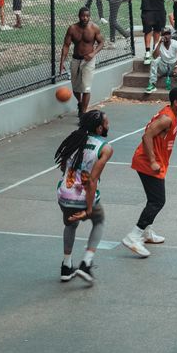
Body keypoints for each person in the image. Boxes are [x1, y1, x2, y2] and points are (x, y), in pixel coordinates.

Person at [122, 86, 177, 257]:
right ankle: (134, 235)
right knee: (157, 201)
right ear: (176, 102)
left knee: (153, 199)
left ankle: (147, 232)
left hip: (156, 162)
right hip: (148, 163)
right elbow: (146, 136)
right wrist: (152, 161)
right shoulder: (167, 118)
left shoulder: (172, 115)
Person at [55, 110, 113, 283]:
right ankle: (86, 264)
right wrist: (88, 209)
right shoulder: (105, 148)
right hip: (83, 195)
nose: (108, 125)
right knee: (99, 220)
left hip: (64, 194)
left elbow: (63, 167)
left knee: (71, 225)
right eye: (107, 122)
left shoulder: (74, 140)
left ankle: (66, 266)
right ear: (99, 128)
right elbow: (92, 181)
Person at [60, 7, 104, 117]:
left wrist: (93, 54)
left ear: (89, 16)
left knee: (86, 88)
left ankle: (83, 114)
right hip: (76, 59)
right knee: (76, 87)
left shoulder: (94, 28)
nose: (85, 18)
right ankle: (80, 103)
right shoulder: (72, 28)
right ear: (79, 16)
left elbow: (101, 42)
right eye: (83, 16)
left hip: (88, 60)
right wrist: (61, 62)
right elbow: (66, 45)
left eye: (87, 16)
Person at [146, 26, 177, 92]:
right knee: (155, 60)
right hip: (163, 68)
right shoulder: (158, 44)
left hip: (174, 68)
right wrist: (159, 43)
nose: (166, 36)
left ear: (171, 35)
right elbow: (155, 56)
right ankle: (152, 84)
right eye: (164, 34)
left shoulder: (176, 43)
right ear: (161, 36)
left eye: (168, 34)